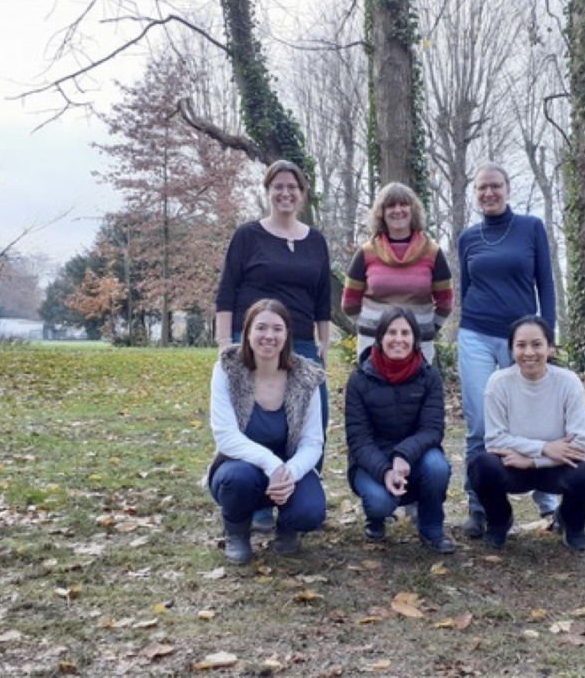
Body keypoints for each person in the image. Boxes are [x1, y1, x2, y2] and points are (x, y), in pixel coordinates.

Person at [215, 159, 331, 532]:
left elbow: (322, 297)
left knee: (311, 425)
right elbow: (227, 290)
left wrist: (323, 342)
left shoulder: (315, 240)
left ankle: (293, 494)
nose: (285, 193)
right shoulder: (248, 236)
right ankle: (258, 504)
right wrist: (225, 342)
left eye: (292, 187)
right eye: (278, 186)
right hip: (254, 340)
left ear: (302, 194)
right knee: (253, 419)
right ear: (267, 192)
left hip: (300, 343)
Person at [457, 164, 558, 538]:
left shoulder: (531, 228)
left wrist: (547, 336)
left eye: (495, 186)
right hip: (476, 336)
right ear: (475, 193)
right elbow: (466, 288)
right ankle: (478, 506)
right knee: (480, 425)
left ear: (508, 188)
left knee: (533, 418)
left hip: (525, 340)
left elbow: (545, 284)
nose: (489, 193)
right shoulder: (468, 237)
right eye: (481, 188)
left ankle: (548, 503)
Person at [467, 315, 585, 551]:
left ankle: (572, 523)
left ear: (550, 348)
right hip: (513, 465)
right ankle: (499, 521)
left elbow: (582, 443)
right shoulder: (499, 383)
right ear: (511, 349)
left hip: (556, 465)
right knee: (481, 465)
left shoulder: (568, 382)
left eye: (537, 344)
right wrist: (544, 447)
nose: (529, 352)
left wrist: (534, 461)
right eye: (521, 345)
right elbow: (494, 440)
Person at [206, 299, 326, 563]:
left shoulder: (307, 377)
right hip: (241, 468)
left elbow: (313, 442)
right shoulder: (227, 370)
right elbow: (226, 436)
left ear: (287, 335)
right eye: (261, 328)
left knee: (311, 512)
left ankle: (288, 527)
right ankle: (236, 532)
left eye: (277, 329)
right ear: (248, 333)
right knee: (237, 479)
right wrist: (272, 465)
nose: (268, 336)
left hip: (288, 470)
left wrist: (288, 473)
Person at [344, 307, 455, 553]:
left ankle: (432, 528)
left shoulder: (429, 376)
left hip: (416, 455)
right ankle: (376, 517)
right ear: (380, 338)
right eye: (391, 332)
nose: (398, 339)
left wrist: (403, 454)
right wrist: (385, 470)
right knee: (380, 503)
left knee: (437, 468)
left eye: (405, 333)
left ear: (415, 339)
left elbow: (432, 429)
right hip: (371, 459)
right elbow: (358, 439)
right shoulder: (359, 379)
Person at [341, 182, 453, 363]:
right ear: (381, 213)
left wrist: (428, 328)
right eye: (390, 205)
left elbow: (446, 301)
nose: (397, 210)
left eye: (403, 204)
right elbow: (349, 302)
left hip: (419, 344)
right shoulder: (366, 252)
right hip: (372, 344)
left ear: (413, 209)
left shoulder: (433, 253)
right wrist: (371, 326)